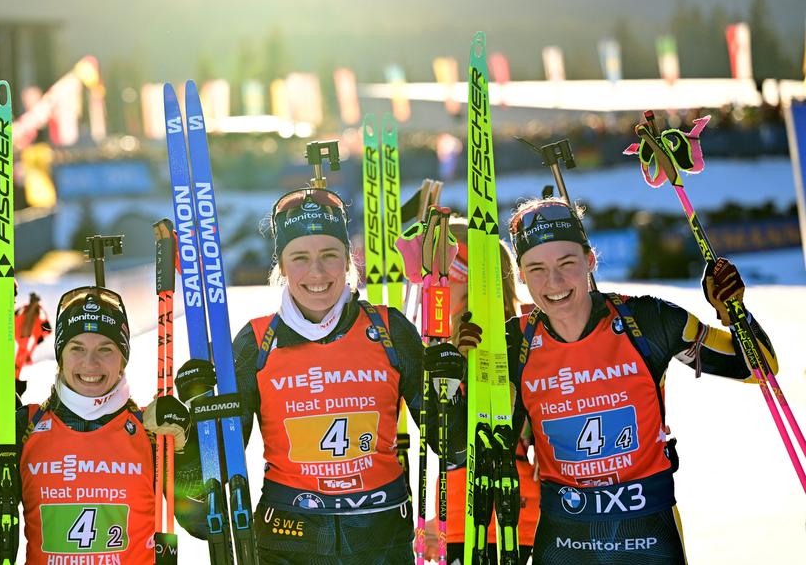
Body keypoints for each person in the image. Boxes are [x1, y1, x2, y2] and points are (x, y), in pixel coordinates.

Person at [464, 197, 777, 564]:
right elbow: (481, 446)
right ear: (520, 274)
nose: (554, 282)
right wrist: (459, 372)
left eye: (567, 263)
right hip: (565, 539)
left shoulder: (647, 320)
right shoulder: (512, 344)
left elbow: (758, 369)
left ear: (590, 260)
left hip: (649, 533)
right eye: (537, 269)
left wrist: (734, 312)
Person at [173, 186, 466, 564]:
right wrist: (194, 422)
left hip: (380, 544)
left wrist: (451, 390)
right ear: (281, 266)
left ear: (347, 260)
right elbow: (202, 507)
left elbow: (454, 448)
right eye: (300, 258)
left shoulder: (389, 331)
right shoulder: (256, 343)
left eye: (330, 255)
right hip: (287, 546)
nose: (317, 272)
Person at [0, 280, 192, 564]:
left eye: (105, 349)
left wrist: (187, 451)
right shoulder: (24, 426)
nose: (90, 363)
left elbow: (201, 520)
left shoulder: (152, 430)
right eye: (76, 348)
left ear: (123, 359)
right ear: (60, 356)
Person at [418, 218, 540, 564]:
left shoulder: (518, 337)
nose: (434, 287)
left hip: (512, 517)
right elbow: (450, 442)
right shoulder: (446, 342)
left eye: (443, 276)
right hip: (461, 516)